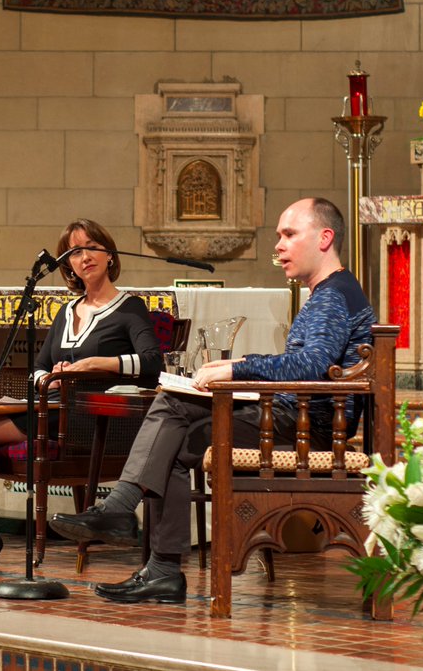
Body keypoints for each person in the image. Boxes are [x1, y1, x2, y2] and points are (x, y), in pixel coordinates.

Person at [51, 198, 375, 603]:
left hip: (305, 428)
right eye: (278, 236)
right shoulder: (331, 292)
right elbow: (308, 361)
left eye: (289, 235)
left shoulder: (333, 294)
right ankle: (162, 570)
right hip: (291, 418)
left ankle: (123, 511)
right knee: (172, 443)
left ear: (325, 238)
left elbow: (311, 365)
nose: (278, 245)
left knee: (171, 405)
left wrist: (237, 370)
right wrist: (241, 364)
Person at [0, 218, 161, 566]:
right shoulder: (67, 312)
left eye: (92, 248)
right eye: (75, 251)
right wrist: (46, 379)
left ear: (110, 255)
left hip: (90, 417)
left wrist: (96, 363)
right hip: (51, 408)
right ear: (67, 264)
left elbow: (152, 362)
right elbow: (38, 365)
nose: (85, 257)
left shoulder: (130, 309)